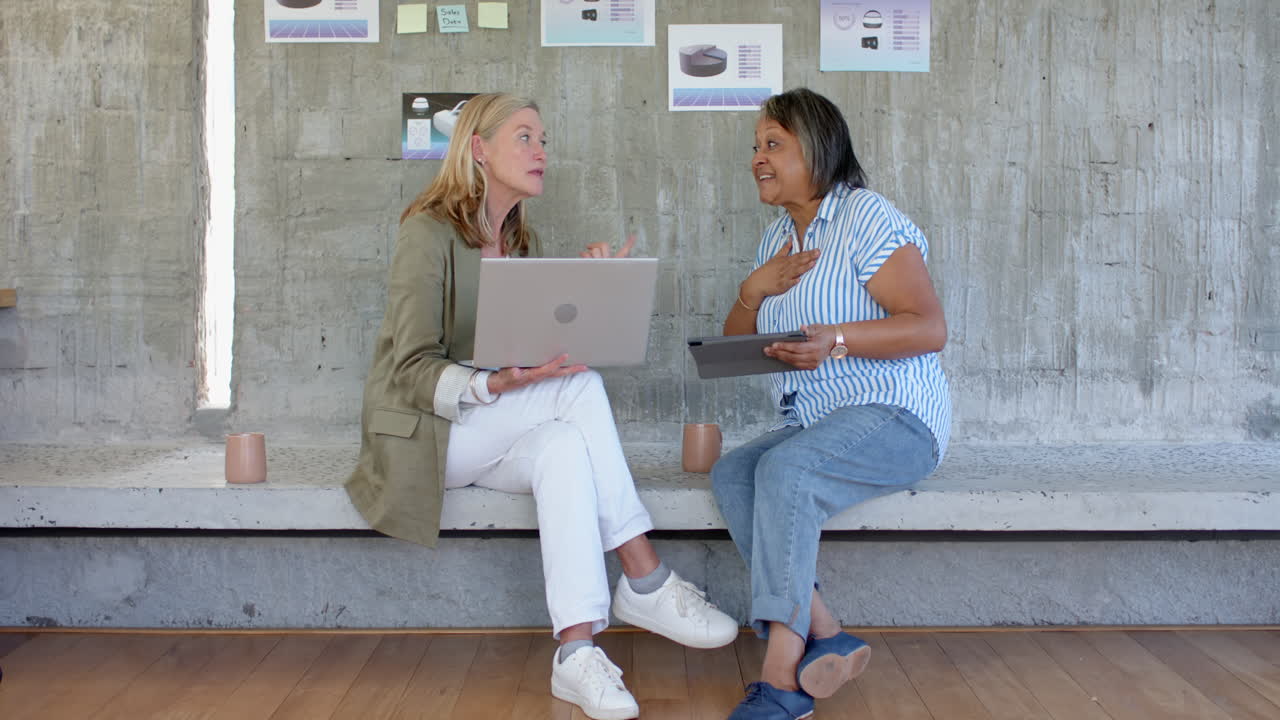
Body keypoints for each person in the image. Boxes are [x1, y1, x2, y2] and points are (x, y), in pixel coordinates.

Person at [344, 93, 738, 720]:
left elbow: (540, 365)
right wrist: (494, 385)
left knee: (562, 447)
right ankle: (645, 576)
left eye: (544, 139)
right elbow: (409, 366)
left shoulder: (523, 242)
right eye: (525, 137)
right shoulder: (427, 231)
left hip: (492, 429)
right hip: (429, 434)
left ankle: (575, 651)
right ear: (479, 148)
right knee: (580, 393)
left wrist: (592, 287)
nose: (541, 151)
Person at [711, 87, 951, 720]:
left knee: (785, 472)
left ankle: (781, 678)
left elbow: (928, 327)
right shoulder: (776, 243)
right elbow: (739, 348)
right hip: (818, 423)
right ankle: (827, 631)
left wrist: (836, 341)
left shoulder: (863, 217)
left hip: (895, 414)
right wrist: (751, 290)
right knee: (733, 471)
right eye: (755, 147)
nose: (757, 158)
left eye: (773, 145)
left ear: (816, 150)